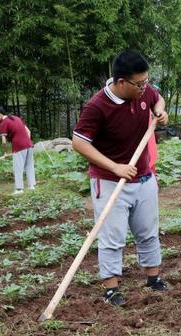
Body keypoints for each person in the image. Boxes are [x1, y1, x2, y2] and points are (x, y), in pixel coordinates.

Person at [72, 49, 170, 306]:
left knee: (148, 231)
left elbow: (158, 99)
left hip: (144, 177)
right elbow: (79, 143)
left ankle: (153, 279)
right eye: (139, 83)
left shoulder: (144, 91)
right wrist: (115, 167)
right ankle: (111, 289)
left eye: (146, 81)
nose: (145, 87)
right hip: (109, 180)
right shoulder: (97, 107)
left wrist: (160, 112)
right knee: (112, 236)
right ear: (121, 82)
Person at [0, 106, 34, 194]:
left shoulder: (3, 123)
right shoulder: (16, 118)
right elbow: (28, 132)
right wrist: (26, 141)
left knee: (17, 167)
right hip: (29, 144)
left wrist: (6, 152)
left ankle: (19, 189)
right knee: (29, 165)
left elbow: (3, 142)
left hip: (19, 146)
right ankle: (31, 186)